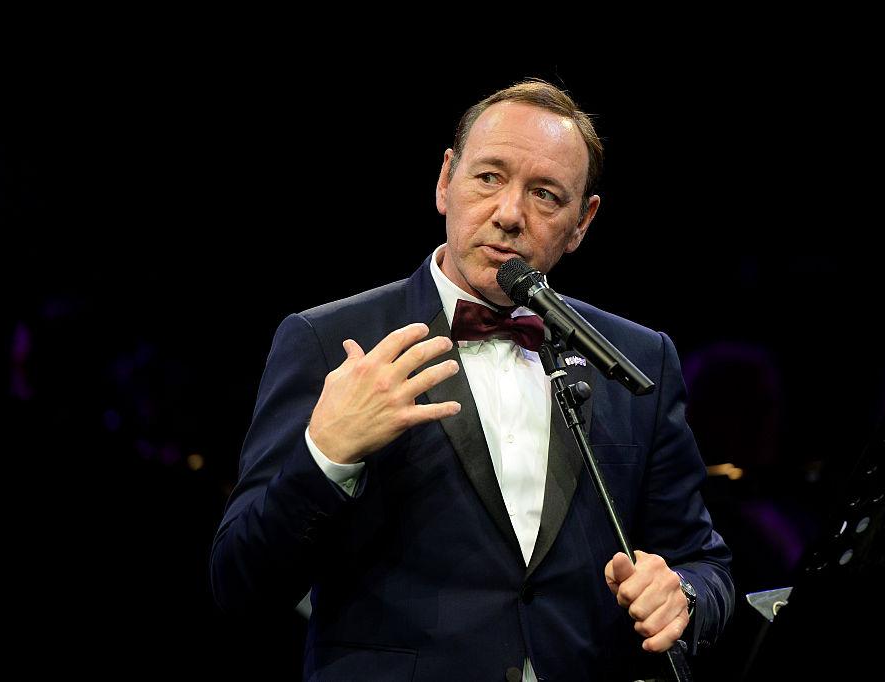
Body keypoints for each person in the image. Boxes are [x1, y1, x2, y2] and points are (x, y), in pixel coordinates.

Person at [210, 80, 733, 681]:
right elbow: (238, 584)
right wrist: (326, 455)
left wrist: (683, 596)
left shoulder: (638, 359)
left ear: (582, 221)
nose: (510, 215)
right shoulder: (329, 340)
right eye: (488, 178)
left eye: (545, 195)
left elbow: (702, 562)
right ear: (445, 181)